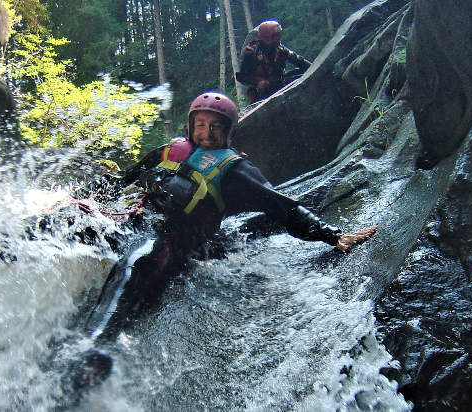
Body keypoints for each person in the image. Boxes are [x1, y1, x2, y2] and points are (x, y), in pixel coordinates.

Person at [84, 91, 377, 343]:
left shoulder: (236, 170)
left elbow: (283, 207)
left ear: (228, 131)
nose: (207, 133)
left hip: (173, 241)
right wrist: (83, 198)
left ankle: (93, 345)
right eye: (200, 125)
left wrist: (331, 234)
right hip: (138, 222)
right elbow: (125, 179)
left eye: (215, 127)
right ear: (190, 126)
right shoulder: (171, 150)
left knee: (136, 261)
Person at [236, 20, 313, 104]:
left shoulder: (280, 49)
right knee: (261, 91)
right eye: (276, 36)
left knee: (300, 72)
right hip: (262, 92)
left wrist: (313, 68)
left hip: (279, 84)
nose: (279, 38)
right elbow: (241, 77)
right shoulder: (251, 53)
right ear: (268, 38)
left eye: (279, 35)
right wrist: (258, 83)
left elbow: (300, 61)